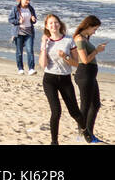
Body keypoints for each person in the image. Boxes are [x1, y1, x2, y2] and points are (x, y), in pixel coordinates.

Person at [40, 14, 86, 145]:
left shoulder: (68, 40)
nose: (53, 25)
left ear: (60, 24)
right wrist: (43, 45)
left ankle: (85, 131)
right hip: (49, 79)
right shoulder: (46, 42)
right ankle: (54, 142)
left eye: (55, 23)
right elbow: (43, 65)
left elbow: (76, 63)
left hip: (65, 79)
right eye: (50, 23)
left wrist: (65, 56)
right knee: (56, 112)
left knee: (74, 112)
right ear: (46, 26)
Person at [71, 15, 105, 143]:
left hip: (90, 75)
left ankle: (89, 132)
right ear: (88, 26)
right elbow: (84, 60)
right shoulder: (79, 38)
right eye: (94, 29)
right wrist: (97, 50)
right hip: (84, 74)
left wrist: (96, 50)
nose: (95, 31)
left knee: (95, 104)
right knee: (85, 105)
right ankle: (84, 134)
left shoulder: (85, 38)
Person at [10, 0, 37, 74]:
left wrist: (34, 19)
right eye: (27, 0)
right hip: (19, 33)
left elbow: (34, 20)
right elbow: (10, 19)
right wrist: (18, 21)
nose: (28, 1)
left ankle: (31, 69)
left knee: (30, 50)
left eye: (29, 0)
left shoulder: (31, 8)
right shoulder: (16, 8)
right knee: (19, 52)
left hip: (29, 33)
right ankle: (20, 69)